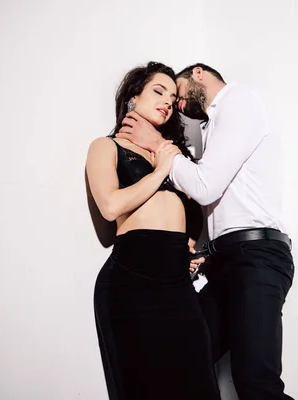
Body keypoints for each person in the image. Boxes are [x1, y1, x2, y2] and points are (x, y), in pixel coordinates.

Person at [116, 63, 295, 399]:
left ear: (197, 73)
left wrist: (159, 146)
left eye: (178, 94)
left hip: (256, 258)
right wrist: (197, 247)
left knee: (256, 384)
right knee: (185, 365)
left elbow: (206, 187)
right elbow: (223, 200)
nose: (176, 105)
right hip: (226, 263)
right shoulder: (216, 126)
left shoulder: (238, 100)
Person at [86, 61, 220, 400]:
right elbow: (111, 206)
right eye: (158, 91)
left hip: (176, 284)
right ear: (133, 98)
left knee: (200, 384)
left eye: (172, 96)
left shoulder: (171, 154)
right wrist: (161, 170)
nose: (167, 100)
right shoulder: (106, 147)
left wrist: (189, 245)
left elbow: (195, 205)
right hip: (132, 282)